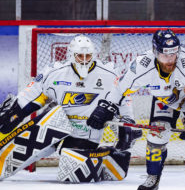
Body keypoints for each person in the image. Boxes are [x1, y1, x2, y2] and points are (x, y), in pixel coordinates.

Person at [86, 28, 185, 190]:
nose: (170, 60)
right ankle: (153, 177)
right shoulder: (142, 65)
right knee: (158, 132)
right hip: (166, 97)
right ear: (155, 52)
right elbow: (120, 88)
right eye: (165, 55)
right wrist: (106, 107)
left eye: (173, 54)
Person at [0, 35, 140, 182]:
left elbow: (124, 100)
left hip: (85, 134)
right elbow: (31, 96)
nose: (85, 60)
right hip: (54, 127)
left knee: (73, 175)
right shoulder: (54, 72)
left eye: (88, 56)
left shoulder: (110, 74)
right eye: (80, 56)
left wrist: (128, 121)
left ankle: (107, 157)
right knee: (23, 145)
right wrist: (14, 111)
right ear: (71, 55)